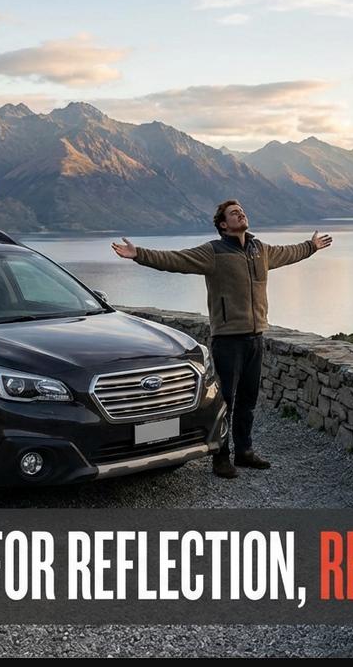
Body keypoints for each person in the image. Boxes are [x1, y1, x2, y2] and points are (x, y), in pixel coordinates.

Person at [111, 200, 332, 478]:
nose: (241, 213)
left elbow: (289, 253)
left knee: (248, 400)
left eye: (241, 210)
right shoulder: (213, 253)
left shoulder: (259, 250)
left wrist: (311, 246)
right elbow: (175, 260)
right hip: (228, 340)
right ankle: (220, 457)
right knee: (224, 400)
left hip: (256, 337)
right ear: (223, 225)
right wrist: (138, 254)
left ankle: (244, 452)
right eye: (233, 213)